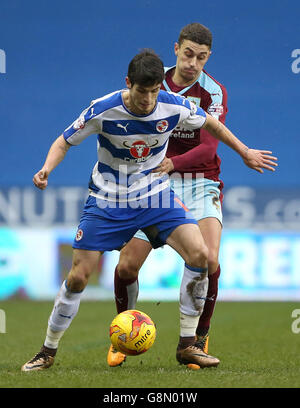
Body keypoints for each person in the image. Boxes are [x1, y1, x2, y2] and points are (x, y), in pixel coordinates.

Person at [21, 49, 277, 372]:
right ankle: (47, 351)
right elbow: (64, 141)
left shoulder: (174, 105)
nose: (148, 99)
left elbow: (212, 124)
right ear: (129, 83)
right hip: (107, 200)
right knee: (78, 276)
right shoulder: (104, 109)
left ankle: (188, 345)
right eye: (142, 91)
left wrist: (244, 152)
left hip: (155, 196)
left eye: (155, 91)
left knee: (201, 255)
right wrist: (46, 169)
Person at [107, 23, 274, 369]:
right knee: (126, 265)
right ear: (176, 49)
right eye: (187, 54)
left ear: (207, 57)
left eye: (201, 57)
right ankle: (123, 334)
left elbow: (208, 147)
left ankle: (197, 339)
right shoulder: (154, 82)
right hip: (156, 182)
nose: (193, 63)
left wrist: (173, 163)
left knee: (210, 260)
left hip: (200, 181)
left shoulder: (213, 92)